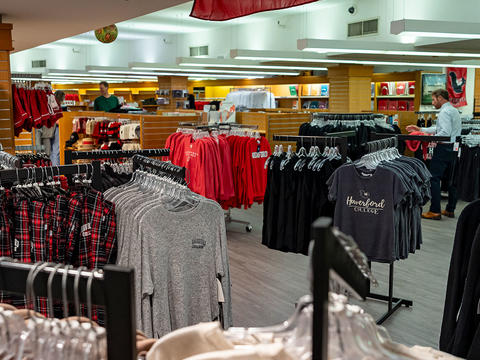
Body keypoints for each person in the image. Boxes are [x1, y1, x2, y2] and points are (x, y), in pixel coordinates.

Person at [406, 88, 461, 220]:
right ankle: (450, 209)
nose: (432, 102)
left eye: (433, 99)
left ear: (440, 98)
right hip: (454, 148)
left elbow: (444, 133)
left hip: (444, 148)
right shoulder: (453, 110)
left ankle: (435, 210)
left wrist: (425, 136)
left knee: (434, 179)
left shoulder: (444, 112)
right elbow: (440, 129)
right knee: (452, 179)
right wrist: (421, 129)